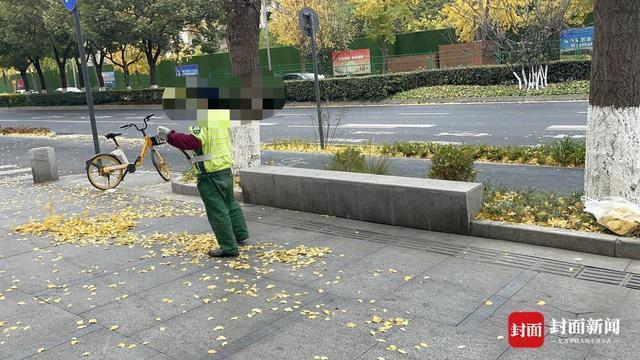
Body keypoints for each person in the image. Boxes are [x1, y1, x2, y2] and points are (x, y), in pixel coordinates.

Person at [157, 111, 248, 258]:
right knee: (230, 203)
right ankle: (240, 234)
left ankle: (228, 247)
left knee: (217, 210)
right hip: (224, 168)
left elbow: (194, 142)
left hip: (210, 173)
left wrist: (170, 136)